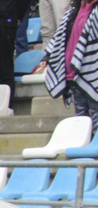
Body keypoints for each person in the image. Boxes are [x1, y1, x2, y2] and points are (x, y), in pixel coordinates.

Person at [44, 0, 98, 138]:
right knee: (80, 120)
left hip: (91, 72)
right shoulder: (74, 9)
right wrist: (48, 56)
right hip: (73, 74)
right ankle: (83, 153)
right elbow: (61, 36)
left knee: (96, 116)